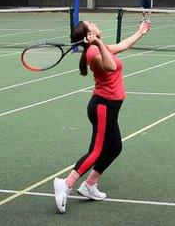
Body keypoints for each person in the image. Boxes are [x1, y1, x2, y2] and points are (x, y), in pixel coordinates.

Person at [53, 18, 151, 213]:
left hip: (109, 106)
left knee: (115, 147)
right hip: (103, 107)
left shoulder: (98, 48)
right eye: (92, 24)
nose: (96, 24)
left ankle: (90, 184)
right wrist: (97, 43)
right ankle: (66, 184)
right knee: (96, 151)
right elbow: (111, 67)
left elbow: (122, 45)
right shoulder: (93, 52)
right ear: (89, 35)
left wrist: (140, 32)